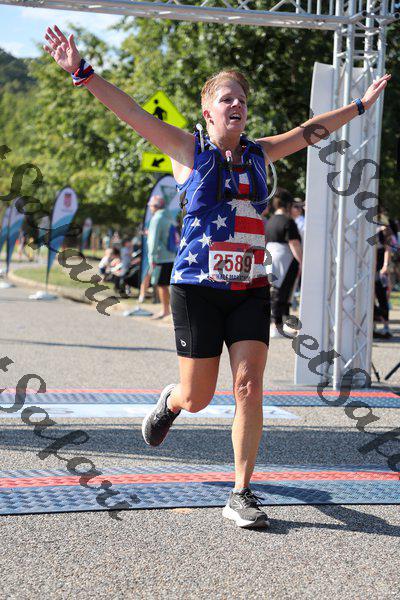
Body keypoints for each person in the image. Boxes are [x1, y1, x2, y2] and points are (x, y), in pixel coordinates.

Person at [44, 25, 390, 528]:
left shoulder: (259, 154)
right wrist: (82, 71)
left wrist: (358, 107)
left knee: (248, 385)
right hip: (197, 289)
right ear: (207, 111)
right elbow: (132, 112)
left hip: (250, 288)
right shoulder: (189, 150)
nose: (237, 104)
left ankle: (241, 492)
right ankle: (172, 401)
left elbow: (310, 131)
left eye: (241, 99)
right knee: (199, 397)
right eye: (226, 98)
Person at [266, 189, 303, 338]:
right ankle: (276, 326)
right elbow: (294, 243)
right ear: (288, 205)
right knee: (282, 292)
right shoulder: (288, 221)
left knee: (275, 291)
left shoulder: (270, 220)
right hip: (285, 258)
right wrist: (302, 261)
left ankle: (277, 324)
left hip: (270, 257)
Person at [146, 195, 177, 319]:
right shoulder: (169, 217)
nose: (150, 208)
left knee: (162, 285)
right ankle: (170, 310)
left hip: (160, 257)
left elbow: (153, 241)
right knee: (170, 285)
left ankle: (165, 310)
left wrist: (151, 258)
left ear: (155, 206)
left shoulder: (156, 219)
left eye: (150, 206)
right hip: (172, 256)